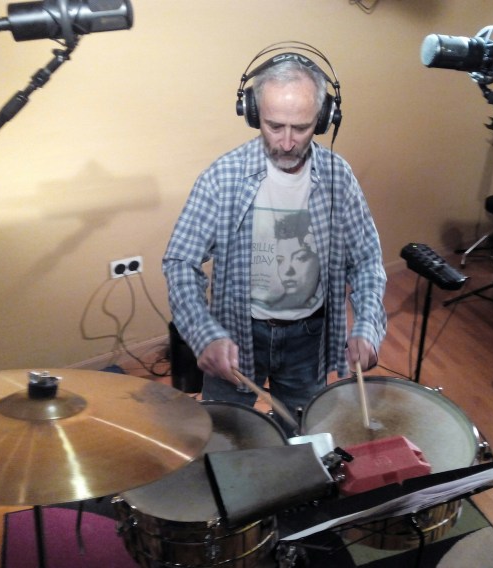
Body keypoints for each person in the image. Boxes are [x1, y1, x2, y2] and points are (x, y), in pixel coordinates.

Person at [162, 43, 386, 435]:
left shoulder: (338, 177)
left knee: (301, 434)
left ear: (323, 119)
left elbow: (366, 260)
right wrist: (204, 335)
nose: (286, 142)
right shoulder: (222, 177)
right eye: (274, 126)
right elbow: (180, 261)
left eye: (301, 128)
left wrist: (367, 326)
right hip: (236, 333)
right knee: (225, 437)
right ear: (252, 114)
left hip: (308, 337)